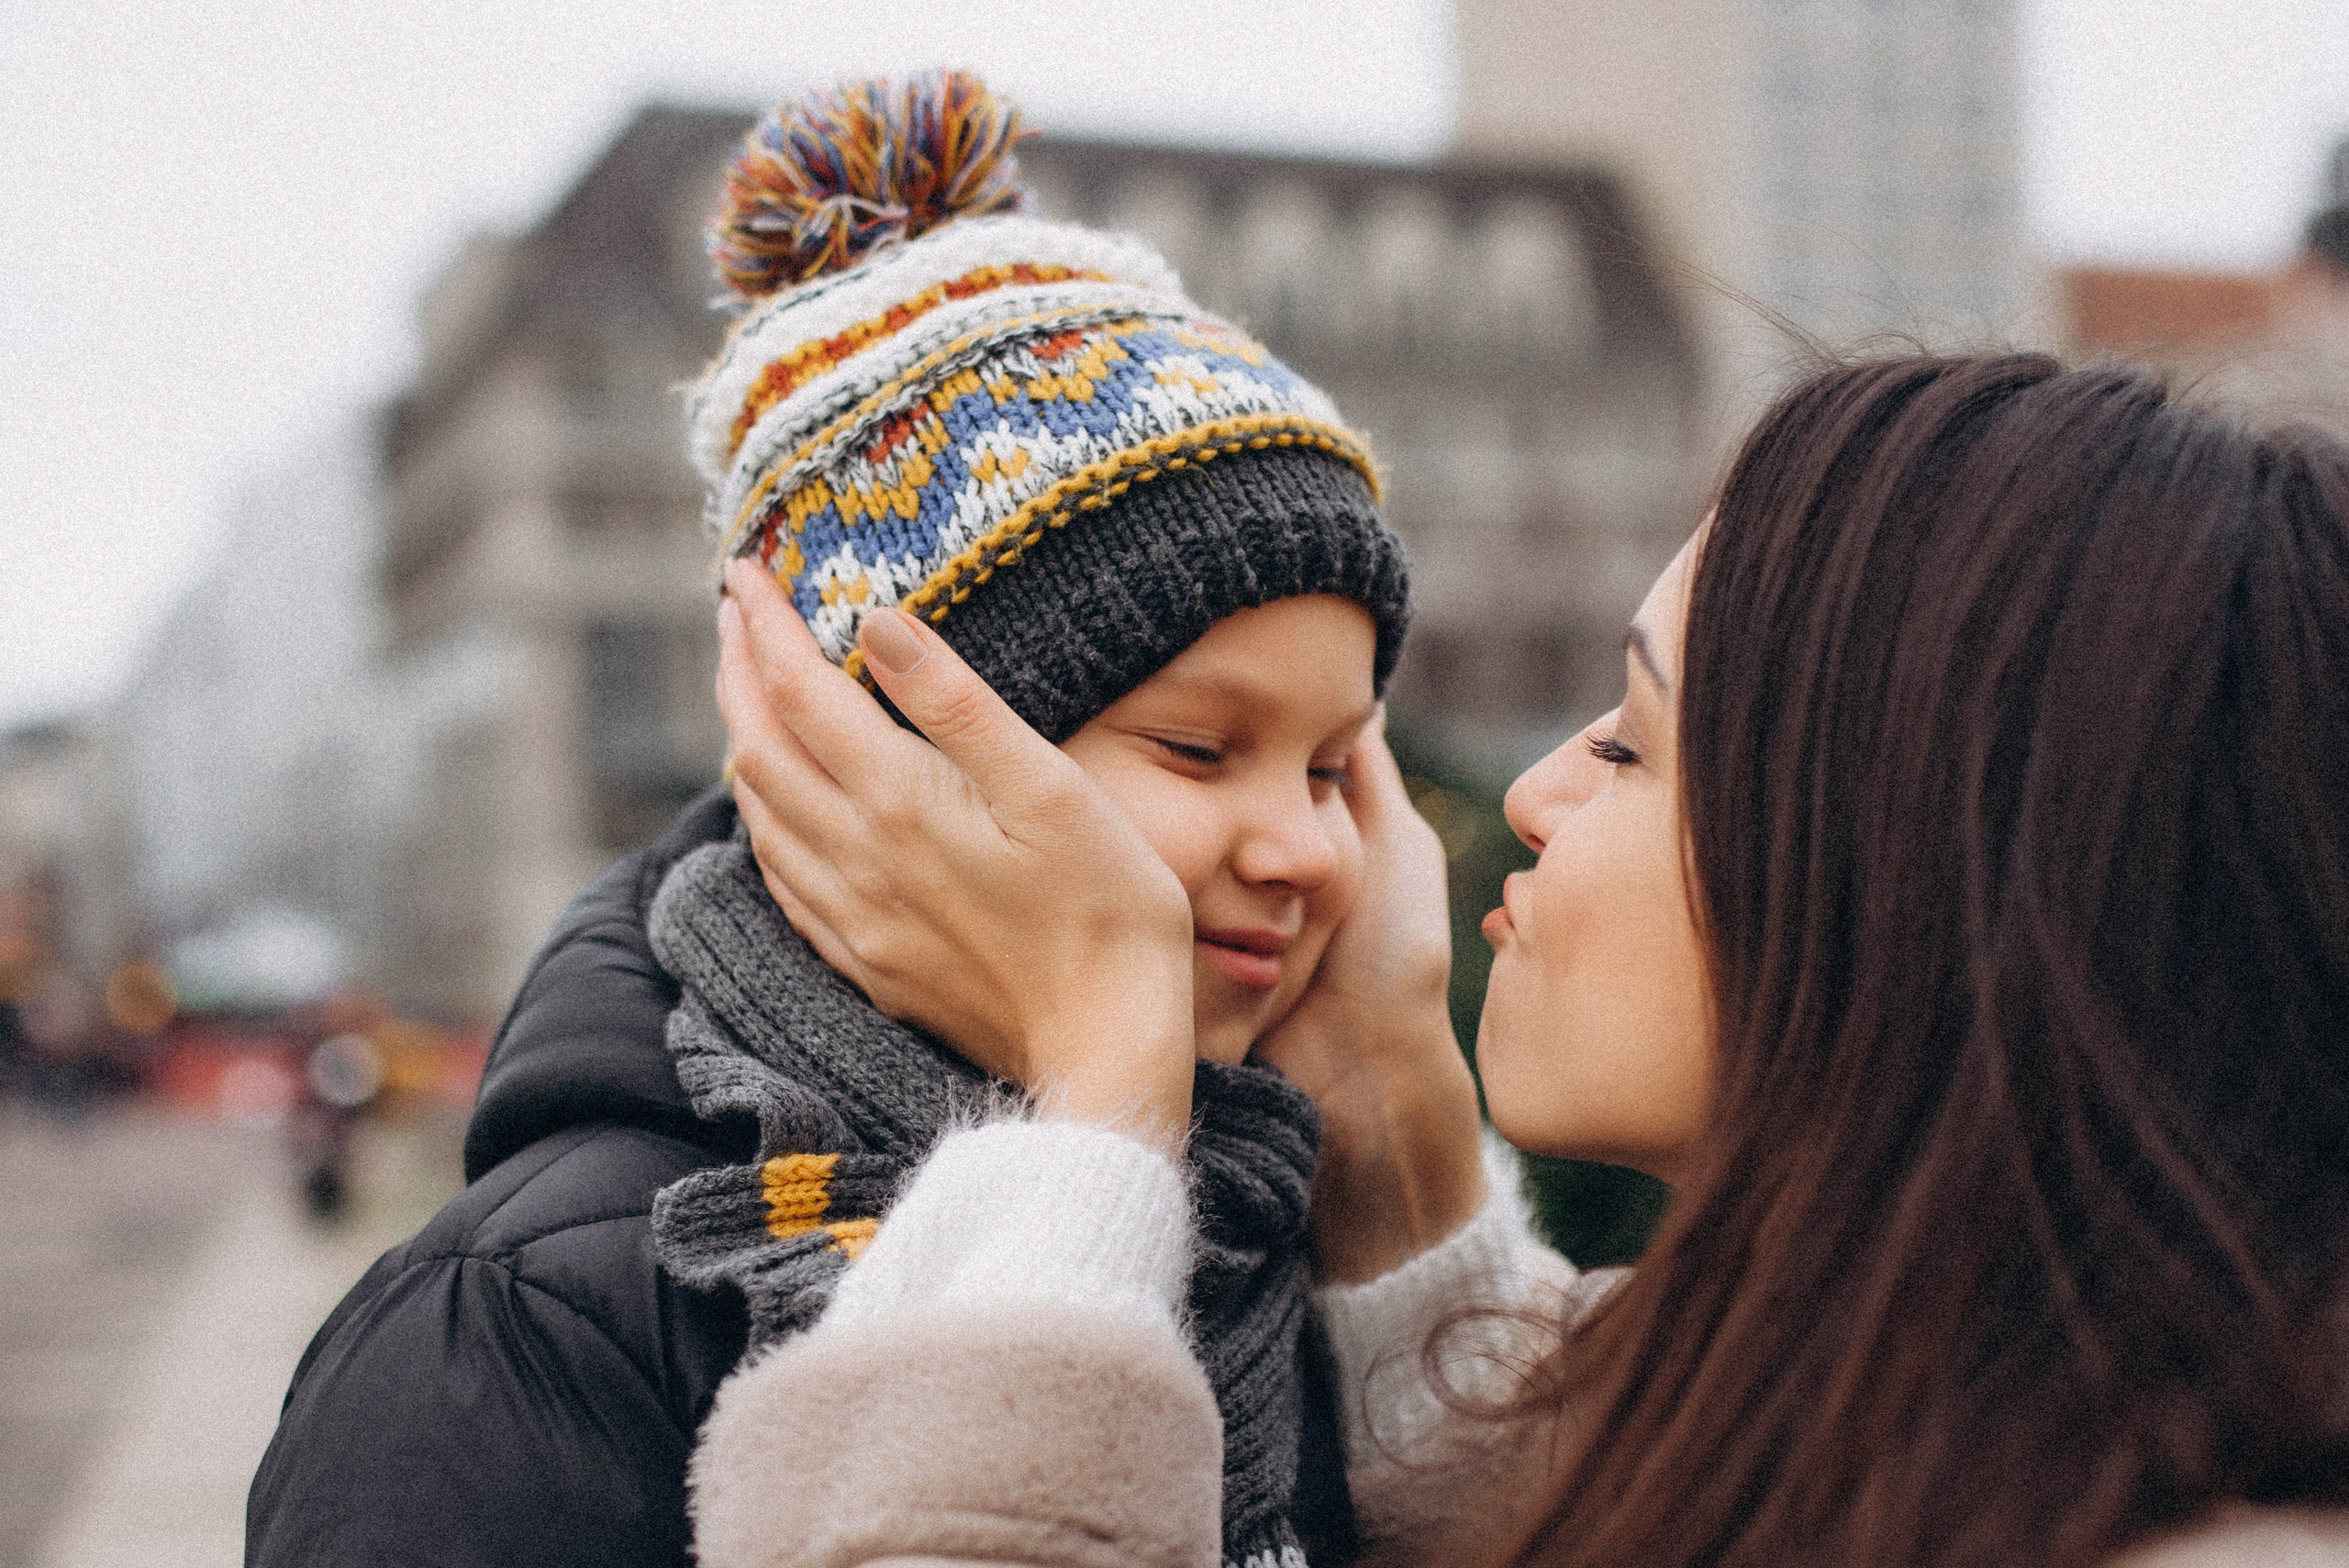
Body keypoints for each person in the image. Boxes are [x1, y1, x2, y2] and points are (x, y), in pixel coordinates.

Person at [689, 352, 2349, 1565]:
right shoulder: (1977, 1440)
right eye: (1205, 750)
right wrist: (1392, 1117)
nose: (1534, 793)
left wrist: (1095, 1090)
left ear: (1904, 871)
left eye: (1633, 742)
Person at [248, 72, 1442, 1568]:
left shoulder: (1289, 1254)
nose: (1312, 849)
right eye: (1202, 749)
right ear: (875, 759)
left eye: (1337, 768)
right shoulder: (530, 1330)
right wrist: (1096, 1105)